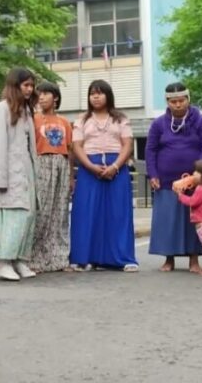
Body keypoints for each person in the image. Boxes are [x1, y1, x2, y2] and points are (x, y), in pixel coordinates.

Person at [145, 82, 202, 272]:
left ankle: (194, 261)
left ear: (188, 100)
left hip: (195, 180)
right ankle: (169, 260)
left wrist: (198, 174)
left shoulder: (201, 121)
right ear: (167, 102)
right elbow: (150, 150)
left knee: (195, 220)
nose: (177, 104)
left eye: (181, 100)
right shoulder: (158, 124)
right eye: (173, 101)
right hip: (166, 181)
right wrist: (153, 174)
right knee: (168, 221)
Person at [0, 68, 39, 281]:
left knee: (27, 216)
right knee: (11, 216)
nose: (29, 89)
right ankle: (0, 260)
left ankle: (18, 258)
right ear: (15, 86)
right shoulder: (2, 110)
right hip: (8, 173)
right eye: (26, 85)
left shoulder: (26, 111)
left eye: (31, 85)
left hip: (26, 172)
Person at [70, 80, 138, 272]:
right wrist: (90, 166)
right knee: (86, 212)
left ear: (108, 95)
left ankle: (124, 258)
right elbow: (76, 146)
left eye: (100, 93)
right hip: (88, 168)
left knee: (119, 213)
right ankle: (85, 258)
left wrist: (116, 166)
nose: (96, 97)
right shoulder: (81, 120)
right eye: (92, 93)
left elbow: (127, 144)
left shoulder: (121, 119)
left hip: (117, 168)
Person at [30, 81, 74, 273]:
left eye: (46, 94)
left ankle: (59, 258)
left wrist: (71, 176)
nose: (41, 97)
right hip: (41, 163)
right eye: (39, 94)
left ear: (55, 97)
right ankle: (35, 258)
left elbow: (70, 151)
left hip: (62, 164)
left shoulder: (64, 122)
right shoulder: (33, 119)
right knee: (42, 211)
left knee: (60, 212)